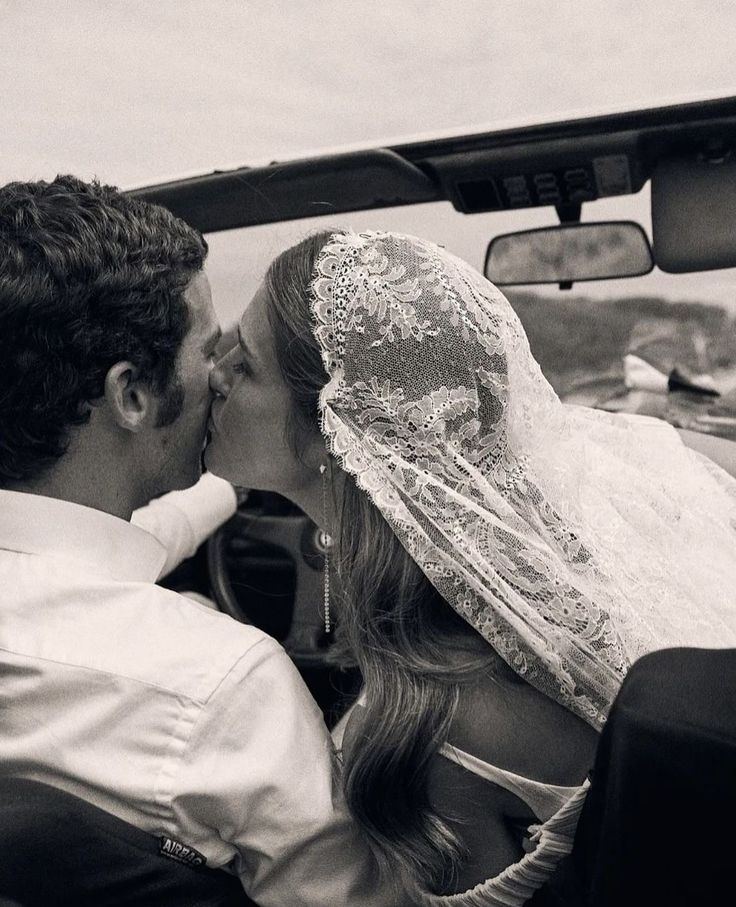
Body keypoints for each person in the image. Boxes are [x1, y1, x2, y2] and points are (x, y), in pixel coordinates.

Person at [205, 228, 736, 906]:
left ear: (327, 430)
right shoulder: (556, 563)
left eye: (244, 364)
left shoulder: (422, 732)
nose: (215, 373)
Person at [0, 179, 393, 907]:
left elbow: (134, 539)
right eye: (207, 349)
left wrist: (230, 485)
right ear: (133, 396)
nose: (219, 376)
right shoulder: (221, 686)